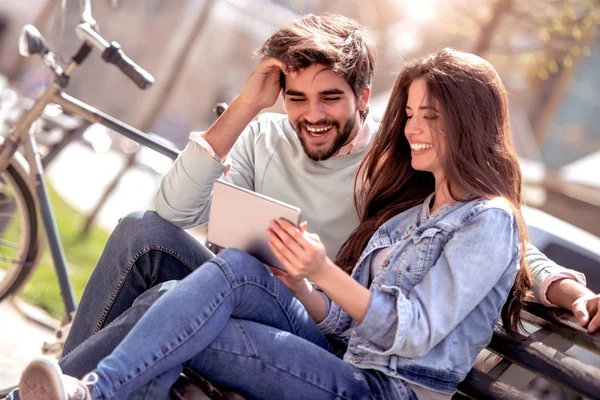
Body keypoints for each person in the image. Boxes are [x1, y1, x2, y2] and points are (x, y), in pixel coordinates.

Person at [58, 13, 598, 380]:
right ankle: (63, 384)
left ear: (363, 97)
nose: (311, 115)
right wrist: (247, 105)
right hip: (243, 290)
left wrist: (567, 289)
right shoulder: (265, 133)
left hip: (323, 329)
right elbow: (173, 213)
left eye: (330, 98)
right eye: (297, 98)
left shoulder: (401, 155)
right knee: (139, 230)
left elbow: (491, 231)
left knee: (170, 300)